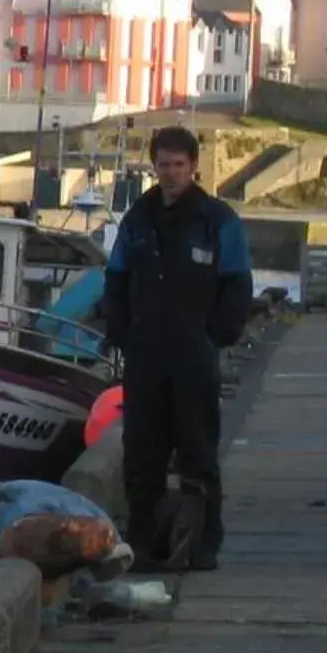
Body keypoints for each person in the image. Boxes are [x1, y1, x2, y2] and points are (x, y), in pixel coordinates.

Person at [102, 126, 252, 571]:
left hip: (195, 355)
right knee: (142, 453)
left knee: (198, 451)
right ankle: (143, 544)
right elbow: (116, 278)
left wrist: (217, 336)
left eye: (178, 166)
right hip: (145, 354)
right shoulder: (136, 220)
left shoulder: (218, 220)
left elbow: (238, 283)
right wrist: (121, 331)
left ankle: (204, 544)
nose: (169, 174)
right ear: (154, 167)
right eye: (162, 165)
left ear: (194, 167)